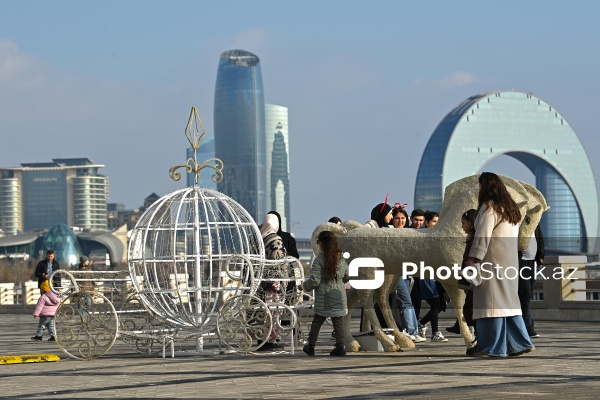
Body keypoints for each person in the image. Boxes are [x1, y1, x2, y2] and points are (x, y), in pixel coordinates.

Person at [466, 172, 535, 357]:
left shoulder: (489, 208)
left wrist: (473, 259)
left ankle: (493, 348)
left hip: (492, 260)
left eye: (480, 185)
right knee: (509, 303)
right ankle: (521, 342)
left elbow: (483, 236)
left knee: (491, 304)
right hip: (509, 261)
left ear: (485, 187)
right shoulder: (510, 208)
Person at [301, 231, 350, 356]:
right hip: (338, 293)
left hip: (323, 295)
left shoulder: (319, 260)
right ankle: (340, 346)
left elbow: (315, 280)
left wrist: (303, 286)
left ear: (321, 243)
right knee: (338, 321)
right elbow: (347, 276)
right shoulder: (341, 258)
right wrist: (339, 281)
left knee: (317, 321)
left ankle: (311, 346)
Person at [391, 204, 425, 343]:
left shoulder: (408, 233)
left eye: (403, 218)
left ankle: (409, 330)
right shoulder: (390, 233)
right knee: (406, 302)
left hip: (408, 273)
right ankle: (412, 331)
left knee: (405, 302)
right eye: (397, 218)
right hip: (396, 272)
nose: (400, 221)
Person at [257, 214, 287, 351]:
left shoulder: (257, 237)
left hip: (258, 283)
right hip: (272, 283)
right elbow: (279, 259)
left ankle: (260, 337)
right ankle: (271, 339)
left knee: (260, 311)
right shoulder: (275, 239)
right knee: (273, 311)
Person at [447, 209, 478, 336]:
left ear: (471, 223)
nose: (462, 226)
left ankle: (480, 339)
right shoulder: (471, 239)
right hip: (471, 280)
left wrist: (466, 283)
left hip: (474, 281)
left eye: (463, 223)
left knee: (472, 310)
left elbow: (469, 262)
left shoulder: (475, 240)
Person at [519, 220, 544, 339]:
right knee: (525, 294)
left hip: (532, 262)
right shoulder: (517, 219)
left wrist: (541, 256)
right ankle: (529, 328)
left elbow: (539, 237)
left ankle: (526, 327)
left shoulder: (534, 219)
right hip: (520, 262)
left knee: (527, 295)